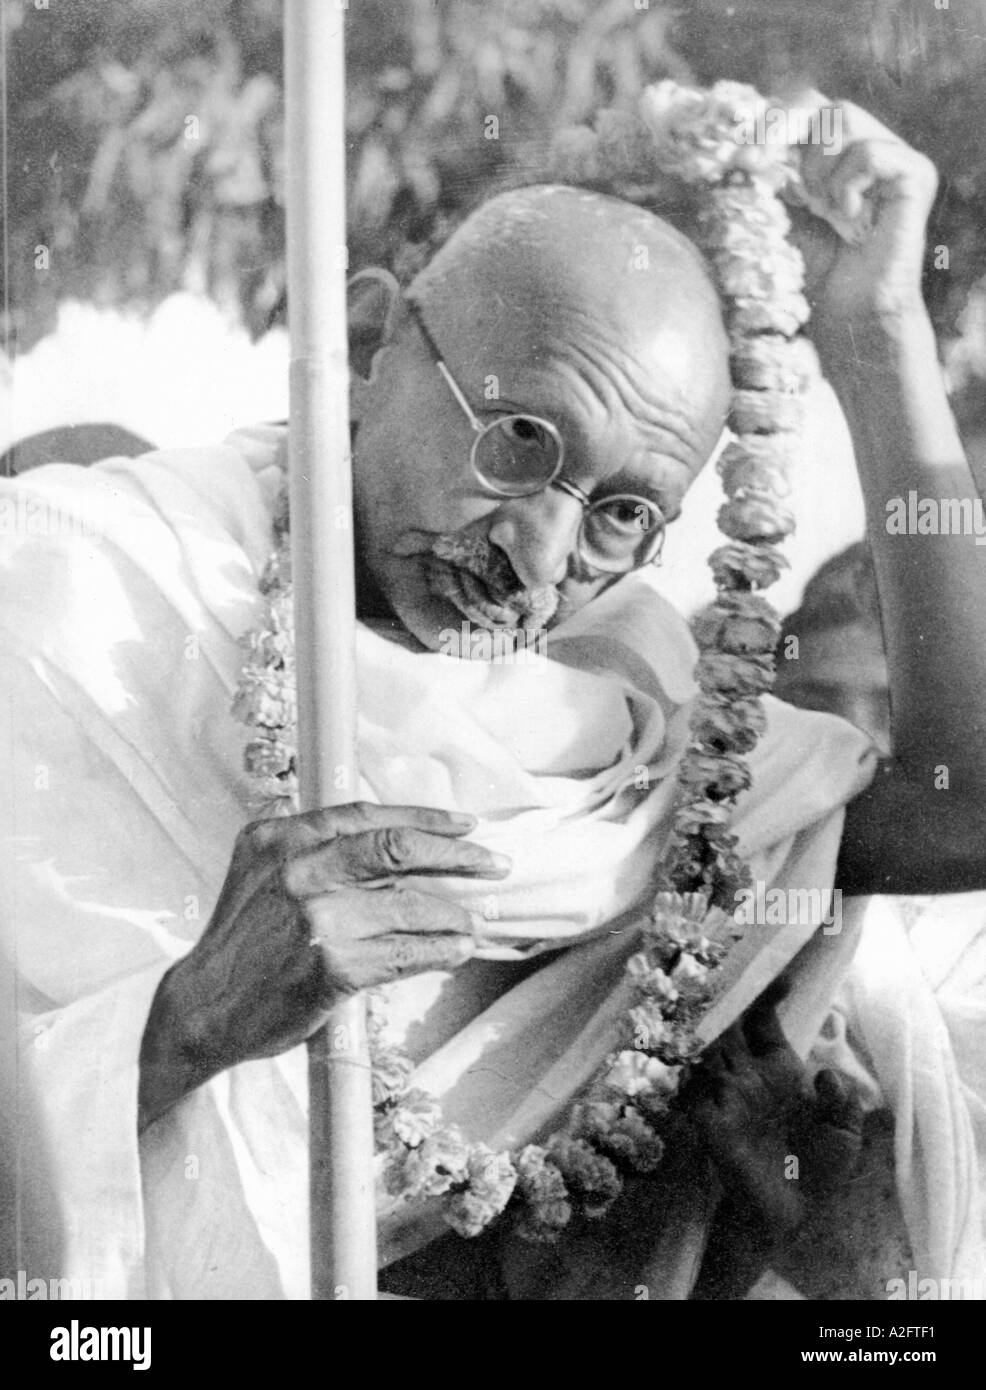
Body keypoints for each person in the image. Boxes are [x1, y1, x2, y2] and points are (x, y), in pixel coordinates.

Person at [2, 90, 984, 1300]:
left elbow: (967, 806)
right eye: (518, 440)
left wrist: (879, 337)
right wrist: (191, 1020)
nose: (536, 556)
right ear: (366, 345)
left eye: (621, 515)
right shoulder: (64, 595)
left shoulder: (641, 721)